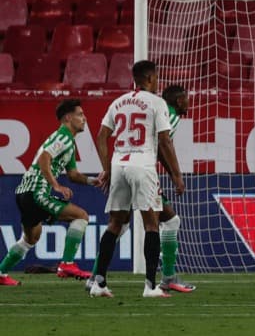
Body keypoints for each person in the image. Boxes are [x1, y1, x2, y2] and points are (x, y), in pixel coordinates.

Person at [88, 60, 184, 299]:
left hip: (119, 164)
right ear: (150, 78)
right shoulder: (157, 102)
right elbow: (165, 141)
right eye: (157, 77)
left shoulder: (118, 102)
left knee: (115, 224)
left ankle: (98, 283)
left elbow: (101, 136)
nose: (158, 81)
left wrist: (107, 169)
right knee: (151, 224)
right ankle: (150, 286)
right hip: (142, 164)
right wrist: (176, 175)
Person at [0, 99, 95, 285]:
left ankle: (1, 272)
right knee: (81, 216)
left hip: (24, 192)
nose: (84, 118)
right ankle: (67, 264)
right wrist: (56, 185)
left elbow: (73, 174)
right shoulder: (63, 137)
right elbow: (44, 157)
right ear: (68, 118)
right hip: (37, 191)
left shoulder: (68, 142)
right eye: (80, 114)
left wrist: (93, 181)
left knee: (30, 239)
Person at [156, 84, 195, 293]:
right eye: (186, 98)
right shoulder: (169, 116)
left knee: (119, 224)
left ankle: (96, 278)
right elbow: (162, 145)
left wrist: (171, 174)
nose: (189, 102)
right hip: (143, 172)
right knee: (171, 221)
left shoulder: (160, 113)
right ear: (179, 100)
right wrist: (176, 176)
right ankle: (167, 276)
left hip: (123, 167)